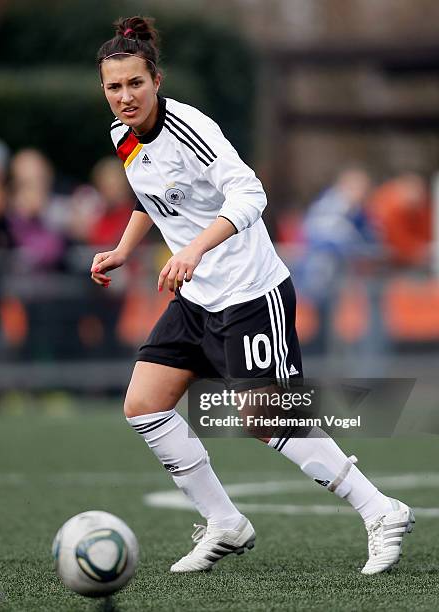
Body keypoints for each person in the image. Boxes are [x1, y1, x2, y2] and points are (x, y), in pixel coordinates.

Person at [91, 16, 414, 575]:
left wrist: (192, 251)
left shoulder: (192, 130)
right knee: (144, 405)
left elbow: (251, 195)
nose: (125, 96)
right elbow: (152, 199)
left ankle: (381, 510)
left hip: (249, 291)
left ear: (156, 80)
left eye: (135, 84)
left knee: (267, 417)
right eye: (114, 87)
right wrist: (124, 249)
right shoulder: (122, 136)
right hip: (198, 299)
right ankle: (225, 523)